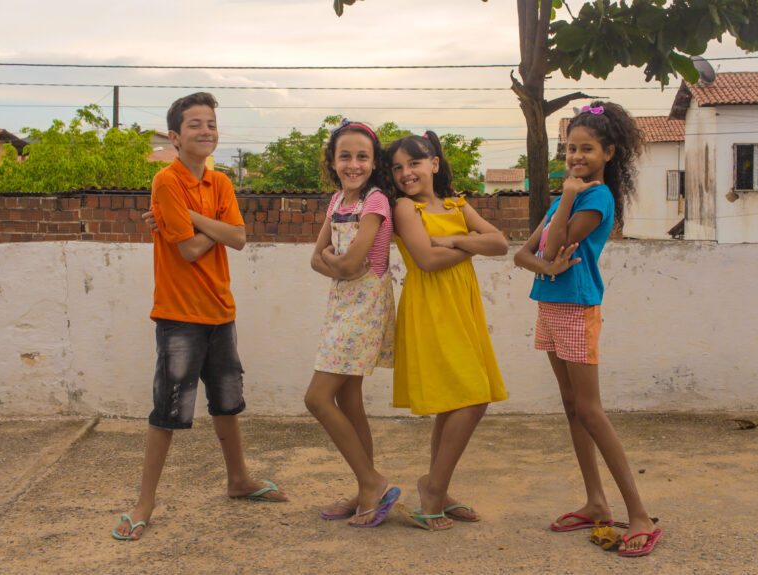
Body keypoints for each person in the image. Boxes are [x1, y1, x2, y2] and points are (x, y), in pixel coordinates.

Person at [113, 92, 286, 541]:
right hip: (179, 314)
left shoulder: (221, 182)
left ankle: (238, 480)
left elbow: (241, 238)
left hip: (220, 310)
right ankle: (144, 503)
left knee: (228, 402)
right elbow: (191, 250)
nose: (205, 130)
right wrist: (217, 228)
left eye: (210, 123)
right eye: (194, 124)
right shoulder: (164, 181)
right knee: (168, 410)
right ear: (175, 136)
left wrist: (190, 216)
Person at [513, 101, 661, 557]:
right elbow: (523, 255)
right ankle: (596, 503)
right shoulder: (565, 197)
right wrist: (546, 262)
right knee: (572, 406)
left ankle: (638, 514)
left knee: (591, 410)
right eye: (570, 149)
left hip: (578, 307)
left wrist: (553, 244)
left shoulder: (594, 198)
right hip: (551, 306)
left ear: (609, 152)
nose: (576, 157)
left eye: (587, 149)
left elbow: (553, 246)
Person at [388, 132, 508, 531]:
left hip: (461, 308)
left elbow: (500, 243)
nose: (406, 173)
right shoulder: (405, 208)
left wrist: (455, 238)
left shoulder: (457, 204)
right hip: (431, 308)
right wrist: (471, 244)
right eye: (398, 167)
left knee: (457, 400)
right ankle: (434, 491)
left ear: (434, 164)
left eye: (415, 163)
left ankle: (435, 485)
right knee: (473, 398)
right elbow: (426, 259)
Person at [304, 119, 400, 527]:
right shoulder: (336, 202)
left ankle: (371, 481)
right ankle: (366, 488)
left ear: (374, 162)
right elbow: (316, 259)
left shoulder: (375, 202)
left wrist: (335, 263)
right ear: (333, 160)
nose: (353, 164)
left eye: (363, 156)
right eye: (345, 155)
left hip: (365, 306)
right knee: (349, 400)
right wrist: (336, 264)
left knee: (317, 399)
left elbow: (348, 262)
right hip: (342, 303)